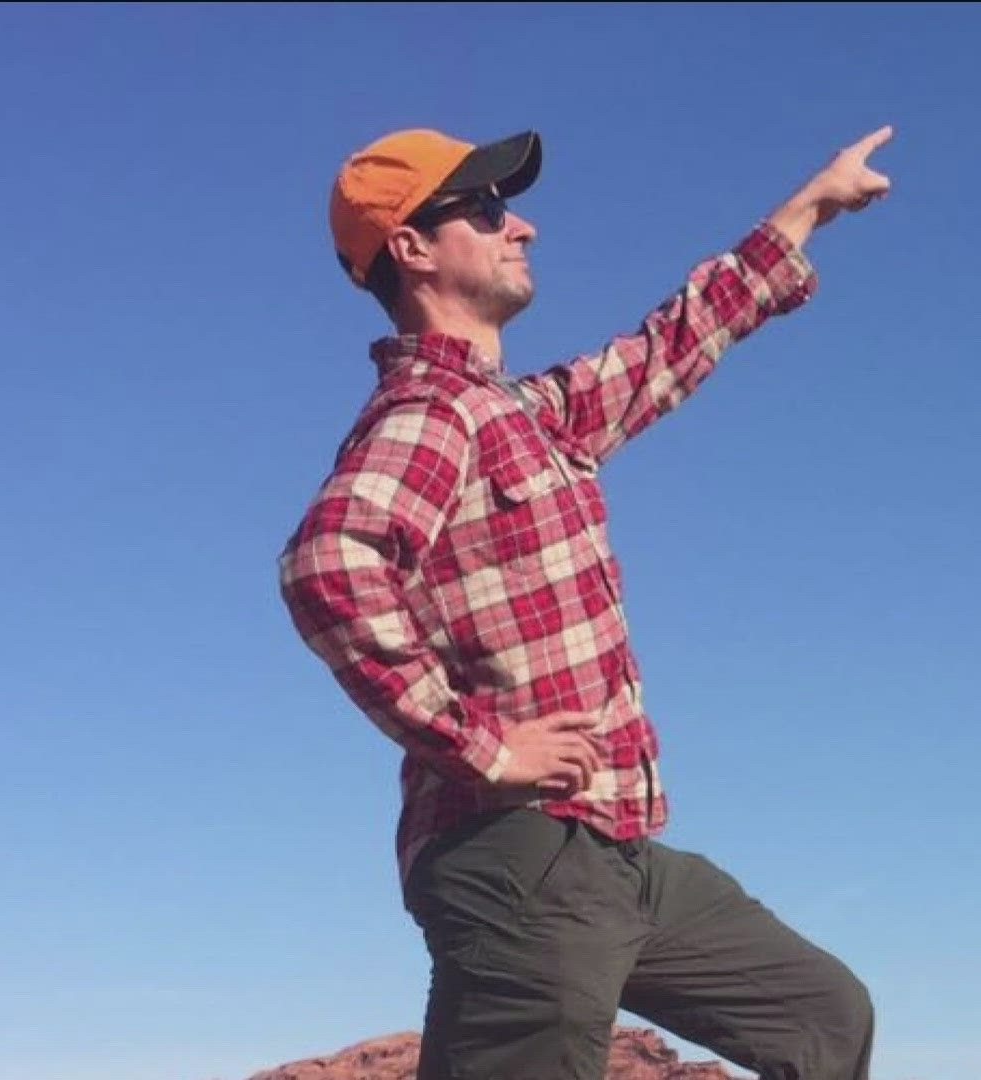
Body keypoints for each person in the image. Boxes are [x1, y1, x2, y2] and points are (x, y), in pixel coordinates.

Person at [278, 123, 893, 1080]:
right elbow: (328, 566)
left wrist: (807, 210)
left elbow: (667, 347)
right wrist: (484, 746)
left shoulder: (529, 416)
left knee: (818, 1014)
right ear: (411, 248)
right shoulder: (431, 416)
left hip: (616, 850)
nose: (517, 226)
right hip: (518, 854)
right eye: (482, 210)